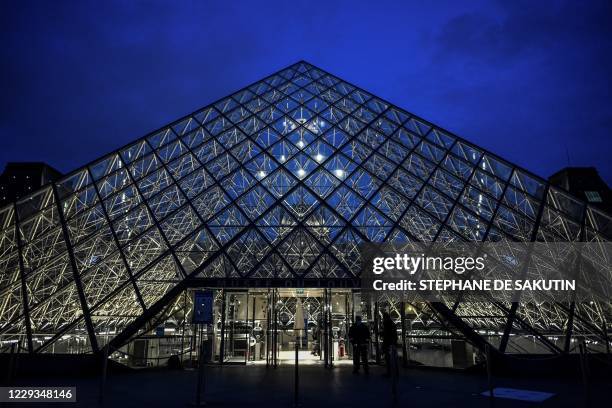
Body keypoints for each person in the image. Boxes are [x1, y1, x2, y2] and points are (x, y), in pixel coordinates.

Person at [382, 312, 398, 377]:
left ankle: (389, 373)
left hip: (388, 343)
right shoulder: (392, 323)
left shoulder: (386, 324)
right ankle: (395, 372)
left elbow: (386, 334)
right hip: (393, 342)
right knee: (393, 358)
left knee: (388, 359)